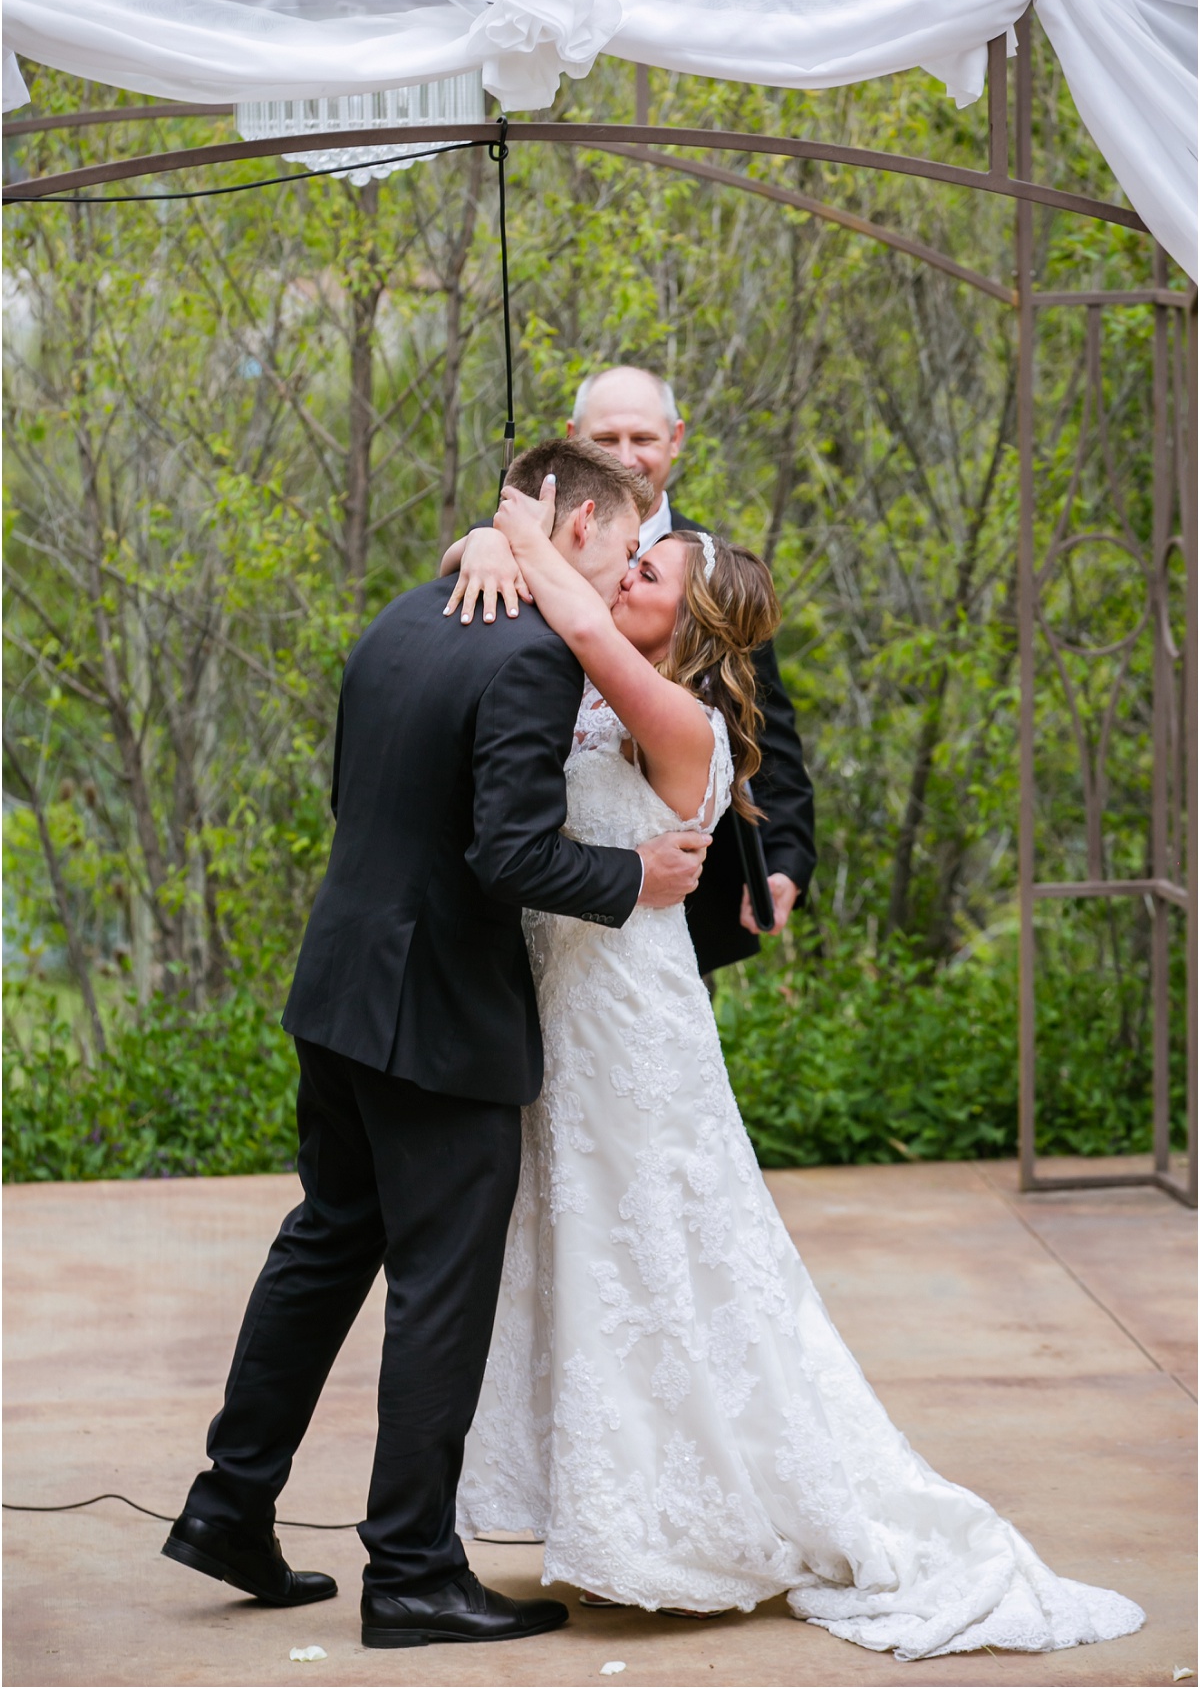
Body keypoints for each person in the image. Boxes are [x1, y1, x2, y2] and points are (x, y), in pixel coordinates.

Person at [444, 471, 1144, 1661]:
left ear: (695, 624)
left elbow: (574, 618)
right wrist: (490, 540)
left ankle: (703, 1520)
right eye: (629, 561)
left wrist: (516, 531)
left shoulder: (688, 727)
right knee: (591, 1249)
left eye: (652, 573)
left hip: (636, 1024)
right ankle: (616, 1510)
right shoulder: (601, 686)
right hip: (565, 1004)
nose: (630, 572)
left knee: (659, 1248)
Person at [162, 444, 712, 1651]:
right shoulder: (528, 657)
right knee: (439, 1290)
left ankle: (228, 1502)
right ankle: (411, 1571)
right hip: (435, 1016)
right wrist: (633, 876)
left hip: (341, 983)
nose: (620, 576)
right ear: (571, 530)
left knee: (325, 1242)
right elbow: (508, 855)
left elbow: (359, 799)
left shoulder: (406, 614)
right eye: (621, 548)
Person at [454, 365, 816, 975]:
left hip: (659, 917)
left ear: (675, 439)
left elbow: (767, 730)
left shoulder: (712, 575)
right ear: (573, 438)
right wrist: (487, 540)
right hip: (537, 903)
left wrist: (784, 856)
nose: (629, 455)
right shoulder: (548, 540)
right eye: (607, 440)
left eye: (643, 439)